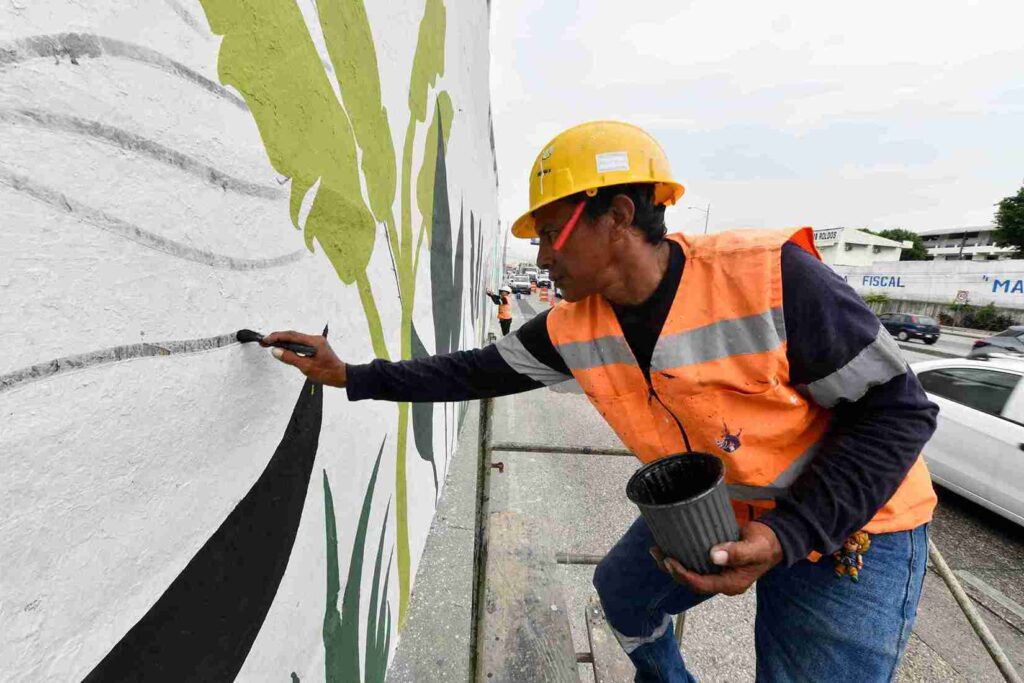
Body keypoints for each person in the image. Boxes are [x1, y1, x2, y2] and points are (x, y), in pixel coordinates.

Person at [260, 121, 938, 682]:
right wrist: (351, 374)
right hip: (725, 505)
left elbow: (899, 409)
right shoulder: (574, 325)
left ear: (616, 215)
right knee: (625, 593)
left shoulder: (771, 278)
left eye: (550, 230)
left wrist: (790, 534)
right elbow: (470, 372)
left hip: (855, 522)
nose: (540, 254)